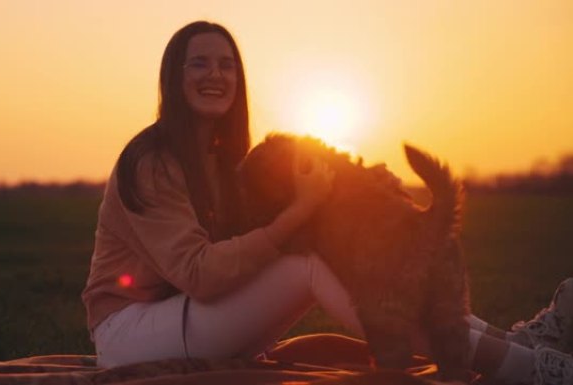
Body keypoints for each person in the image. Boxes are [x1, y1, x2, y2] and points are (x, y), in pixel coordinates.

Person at [81, 20, 573, 384]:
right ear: (174, 76)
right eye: (200, 63)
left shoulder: (221, 160)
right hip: (130, 334)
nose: (216, 74)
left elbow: (239, 251)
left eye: (227, 64)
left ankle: (515, 344)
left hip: (194, 319)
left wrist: (360, 196)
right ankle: (528, 368)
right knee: (314, 261)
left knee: (349, 258)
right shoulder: (151, 162)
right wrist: (302, 211)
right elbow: (200, 274)